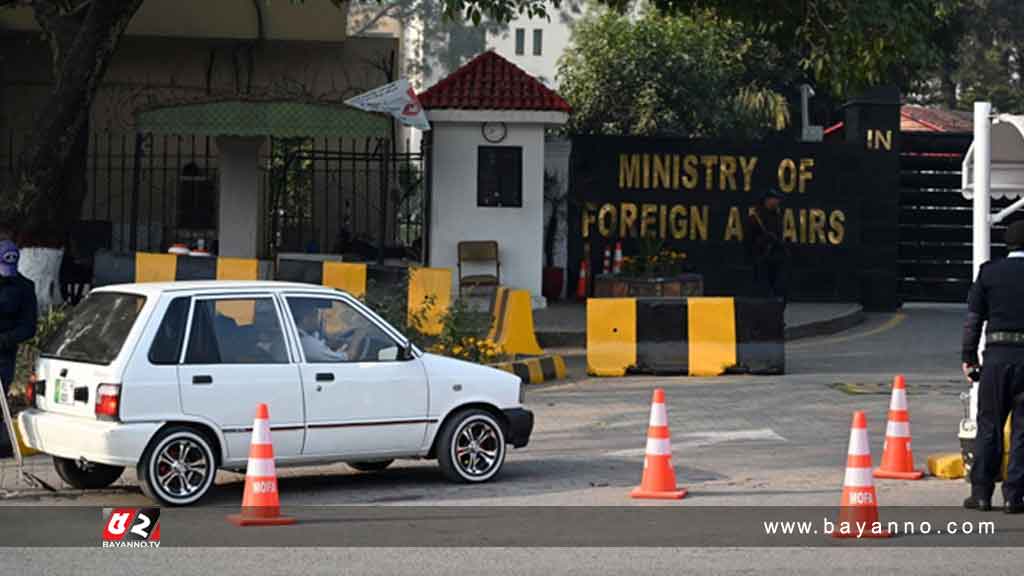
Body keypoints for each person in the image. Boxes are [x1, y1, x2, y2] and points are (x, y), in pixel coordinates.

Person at [961, 220, 1024, 514]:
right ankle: (1015, 496)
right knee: (1023, 432)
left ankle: (982, 493)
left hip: (997, 359)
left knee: (989, 426)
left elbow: (973, 320)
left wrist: (969, 357)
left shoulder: (989, 272)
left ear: (1007, 244)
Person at [745, 188, 790, 302]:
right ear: (767, 200)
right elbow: (749, 240)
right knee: (764, 293)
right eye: (775, 199)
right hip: (762, 259)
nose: (777, 202)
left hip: (777, 258)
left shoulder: (777, 215)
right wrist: (762, 241)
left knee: (780, 291)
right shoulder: (756, 217)